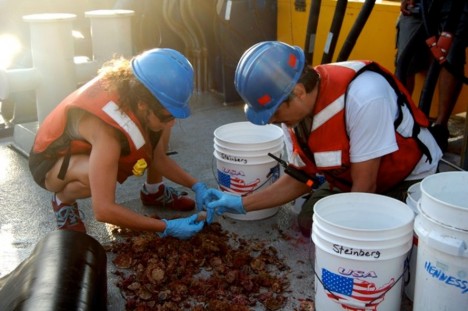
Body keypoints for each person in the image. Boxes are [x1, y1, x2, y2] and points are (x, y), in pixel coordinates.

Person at [204, 41, 443, 237]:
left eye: (273, 113)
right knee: (310, 222)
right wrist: (240, 203)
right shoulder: (293, 114)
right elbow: (300, 177)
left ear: (298, 92)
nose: (270, 121)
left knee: (393, 239)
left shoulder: (365, 96)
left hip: (403, 180)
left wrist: (342, 243)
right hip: (350, 178)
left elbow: (365, 187)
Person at [29, 48, 209, 239]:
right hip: (51, 162)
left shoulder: (143, 92)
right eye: (168, 115)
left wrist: (197, 186)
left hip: (90, 147)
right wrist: (165, 226)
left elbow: (157, 158)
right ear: (142, 104)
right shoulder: (108, 132)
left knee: (158, 128)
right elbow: (103, 209)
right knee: (94, 178)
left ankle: (154, 191)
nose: (172, 122)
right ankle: (63, 200)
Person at [395, 0, 468, 152]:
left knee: (451, 56)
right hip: (419, 4)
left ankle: (440, 129)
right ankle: (401, 122)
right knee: (404, 60)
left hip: (456, 7)